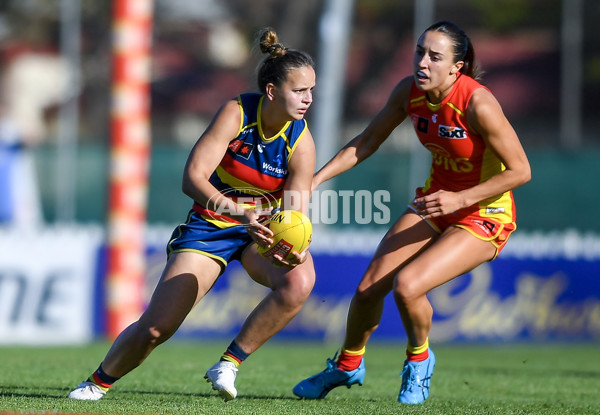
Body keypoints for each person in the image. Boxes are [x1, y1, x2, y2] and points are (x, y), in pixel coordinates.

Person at [68, 27, 317, 402]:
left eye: (311, 90)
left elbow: (297, 213)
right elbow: (193, 179)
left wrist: (292, 245)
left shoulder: (301, 140)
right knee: (155, 329)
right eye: (299, 90)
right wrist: (240, 213)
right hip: (211, 226)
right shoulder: (236, 113)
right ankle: (97, 382)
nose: (308, 99)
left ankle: (229, 363)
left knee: (299, 281)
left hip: (258, 234)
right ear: (271, 91)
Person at [292, 20, 531, 405]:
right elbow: (367, 141)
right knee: (369, 288)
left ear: (457, 66)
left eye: (435, 56)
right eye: (420, 51)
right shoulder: (409, 92)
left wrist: (459, 199)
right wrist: (315, 180)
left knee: (408, 286)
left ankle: (419, 362)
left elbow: (521, 170)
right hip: (435, 203)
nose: (422, 62)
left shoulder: (478, 103)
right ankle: (348, 365)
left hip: (484, 214)